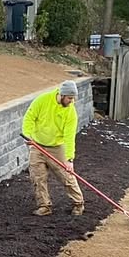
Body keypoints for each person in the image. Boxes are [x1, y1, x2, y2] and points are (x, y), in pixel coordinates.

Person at [21, 80, 83, 217]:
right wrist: (27, 135)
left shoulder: (70, 112)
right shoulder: (43, 100)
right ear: (61, 95)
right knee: (37, 177)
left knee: (66, 176)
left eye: (73, 98)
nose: (71, 101)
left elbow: (69, 137)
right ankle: (44, 206)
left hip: (57, 147)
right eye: (69, 98)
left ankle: (78, 203)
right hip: (37, 145)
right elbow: (29, 118)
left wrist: (69, 159)